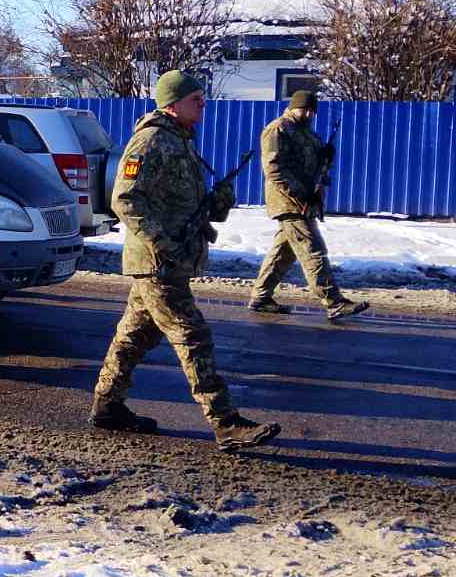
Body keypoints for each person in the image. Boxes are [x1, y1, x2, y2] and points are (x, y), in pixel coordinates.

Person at [92, 71, 281, 451]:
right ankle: (225, 422)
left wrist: (219, 201)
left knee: (134, 337)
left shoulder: (182, 141)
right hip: (157, 262)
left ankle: (108, 405)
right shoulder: (151, 140)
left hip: (170, 261)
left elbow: (184, 206)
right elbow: (124, 199)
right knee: (193, 336)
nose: (203, 104)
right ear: (173, 103)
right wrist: (161, 242)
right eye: (196, 98)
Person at [248, 90, 368, 323]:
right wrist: (299, 194)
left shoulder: (307, 132)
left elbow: (313, 165)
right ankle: (334, 302)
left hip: (306, 200)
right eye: (304, 109)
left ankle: (261, 297)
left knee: (283, 253)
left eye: (312, 111)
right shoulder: (278, 129)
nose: (309, 114)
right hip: (290, 201)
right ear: (293, 107)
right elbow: (274, 168)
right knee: (313, 250)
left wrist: (326, 157)